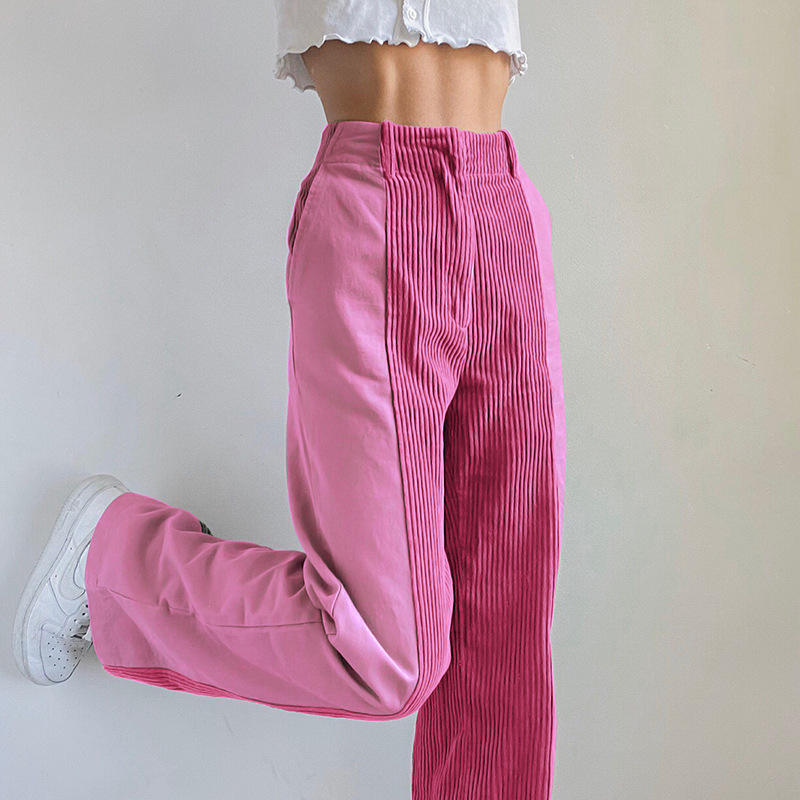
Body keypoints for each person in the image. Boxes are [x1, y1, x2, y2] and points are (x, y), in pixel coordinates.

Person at [13, 2, 566, 798]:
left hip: (506, 204)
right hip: (384, 197)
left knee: (504, 635)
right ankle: (118, 556)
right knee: (386, 654)